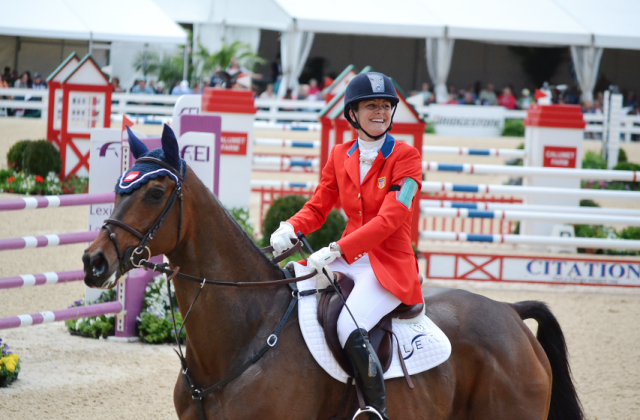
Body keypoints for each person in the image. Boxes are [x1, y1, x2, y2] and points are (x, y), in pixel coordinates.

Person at [270, 72, 422, 420]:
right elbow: (319, 206)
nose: (380, 112)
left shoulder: (406, 157)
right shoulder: (340, 154)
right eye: (372, 106)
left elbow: (392, 219)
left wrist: (338, 249)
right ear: (353, 113)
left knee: (348, 327)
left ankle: (375, 410)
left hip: (387, 266)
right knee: (288, 288)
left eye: (386, 105)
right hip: (349, 259)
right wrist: (290, 226)